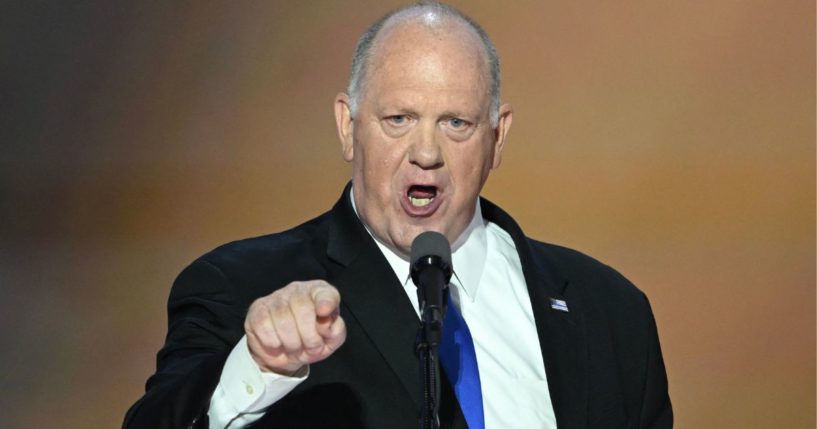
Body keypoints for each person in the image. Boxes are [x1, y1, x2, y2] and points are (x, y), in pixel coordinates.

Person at [124, 3, 672, 428]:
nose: (426, 151)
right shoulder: (241, 287)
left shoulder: (610, 312)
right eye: (399, 118)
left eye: (455, 122)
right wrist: (257, 368)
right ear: (347, 125)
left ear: (497, 138)